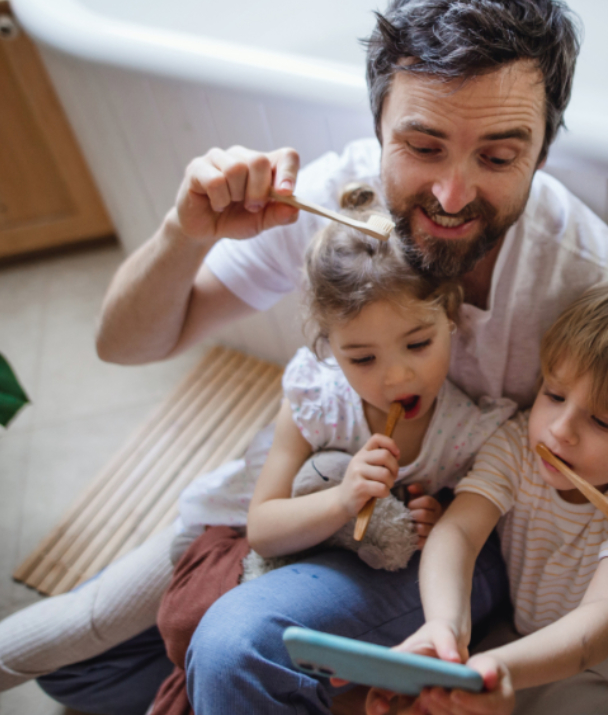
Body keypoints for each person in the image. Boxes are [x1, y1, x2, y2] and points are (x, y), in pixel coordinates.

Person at [1, 0, 608, 715]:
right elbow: (127, 345)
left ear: (543, 153)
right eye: (422, 147)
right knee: (79, 674)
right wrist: (183, 232)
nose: (453, 195)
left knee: (234, 647)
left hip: (438, 540)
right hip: (308, 499)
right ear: (377, 125)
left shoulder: (585, 276)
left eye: (498, 155)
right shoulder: (334, 208)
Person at [145, 189, 517, 715]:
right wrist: (344, 499)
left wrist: (438, 516)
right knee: (92, 666)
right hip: (296, 556)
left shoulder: (468, 431)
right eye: (361, 357)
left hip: (383, 583)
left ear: (450, 318)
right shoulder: (317, 400)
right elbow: (264, 527)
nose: (396, 377)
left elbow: (469, 535)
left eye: (418, 344)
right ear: (330, 350)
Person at [367, 278, 608, 715]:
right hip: (523, 638)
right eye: (554, 394)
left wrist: (493, 669)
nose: (559, 429)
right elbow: (458, 534)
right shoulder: (521, 439)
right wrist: (444, 627)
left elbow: (601, 622)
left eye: (601, 421)